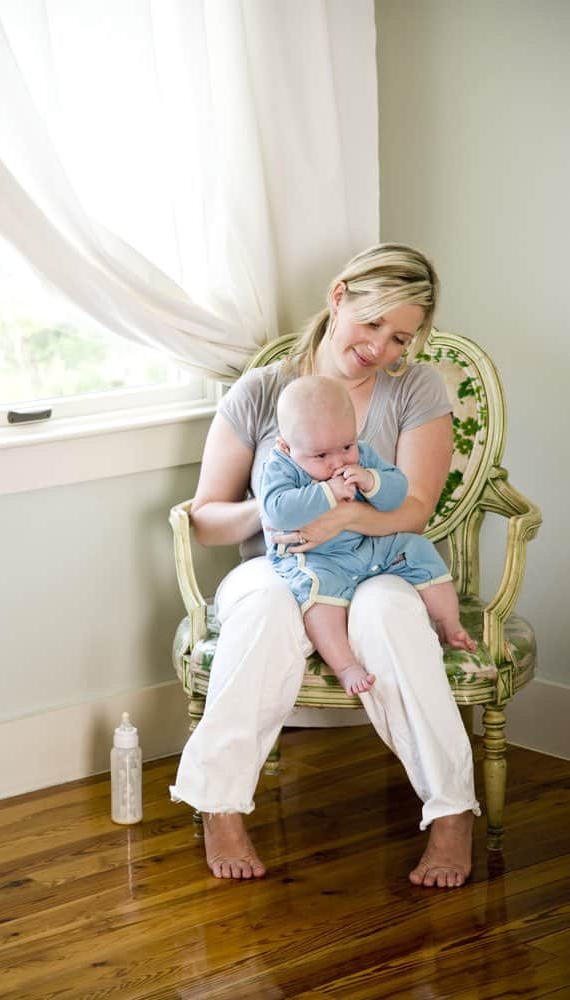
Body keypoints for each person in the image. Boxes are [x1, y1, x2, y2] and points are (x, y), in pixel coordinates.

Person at [169, 243, 480, 889]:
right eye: (371, 325)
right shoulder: (261, 393)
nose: (380, 348)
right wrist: (275, 514)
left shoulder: (413, 389)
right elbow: (204, 518)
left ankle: (451, 812)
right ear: (338, 297)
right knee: (261, 609)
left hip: (379, 559)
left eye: (400, 337)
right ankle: (220, 805)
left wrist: (341, 518)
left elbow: (413, 509)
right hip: (277, 562)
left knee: (391, 616)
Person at [260, 374, 476, 696]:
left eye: (346, 446)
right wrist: (327, 492)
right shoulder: (280, 466)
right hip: (317, 558)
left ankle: (448, 622)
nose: (338, 462)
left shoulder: (361, 454)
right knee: (318, 597)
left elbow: (399, 491)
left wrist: (373, 481)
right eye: (321, 456)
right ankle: (346, 666)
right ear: (286, 446)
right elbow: (277, 510)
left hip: (368, 546)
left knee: (417, 548)